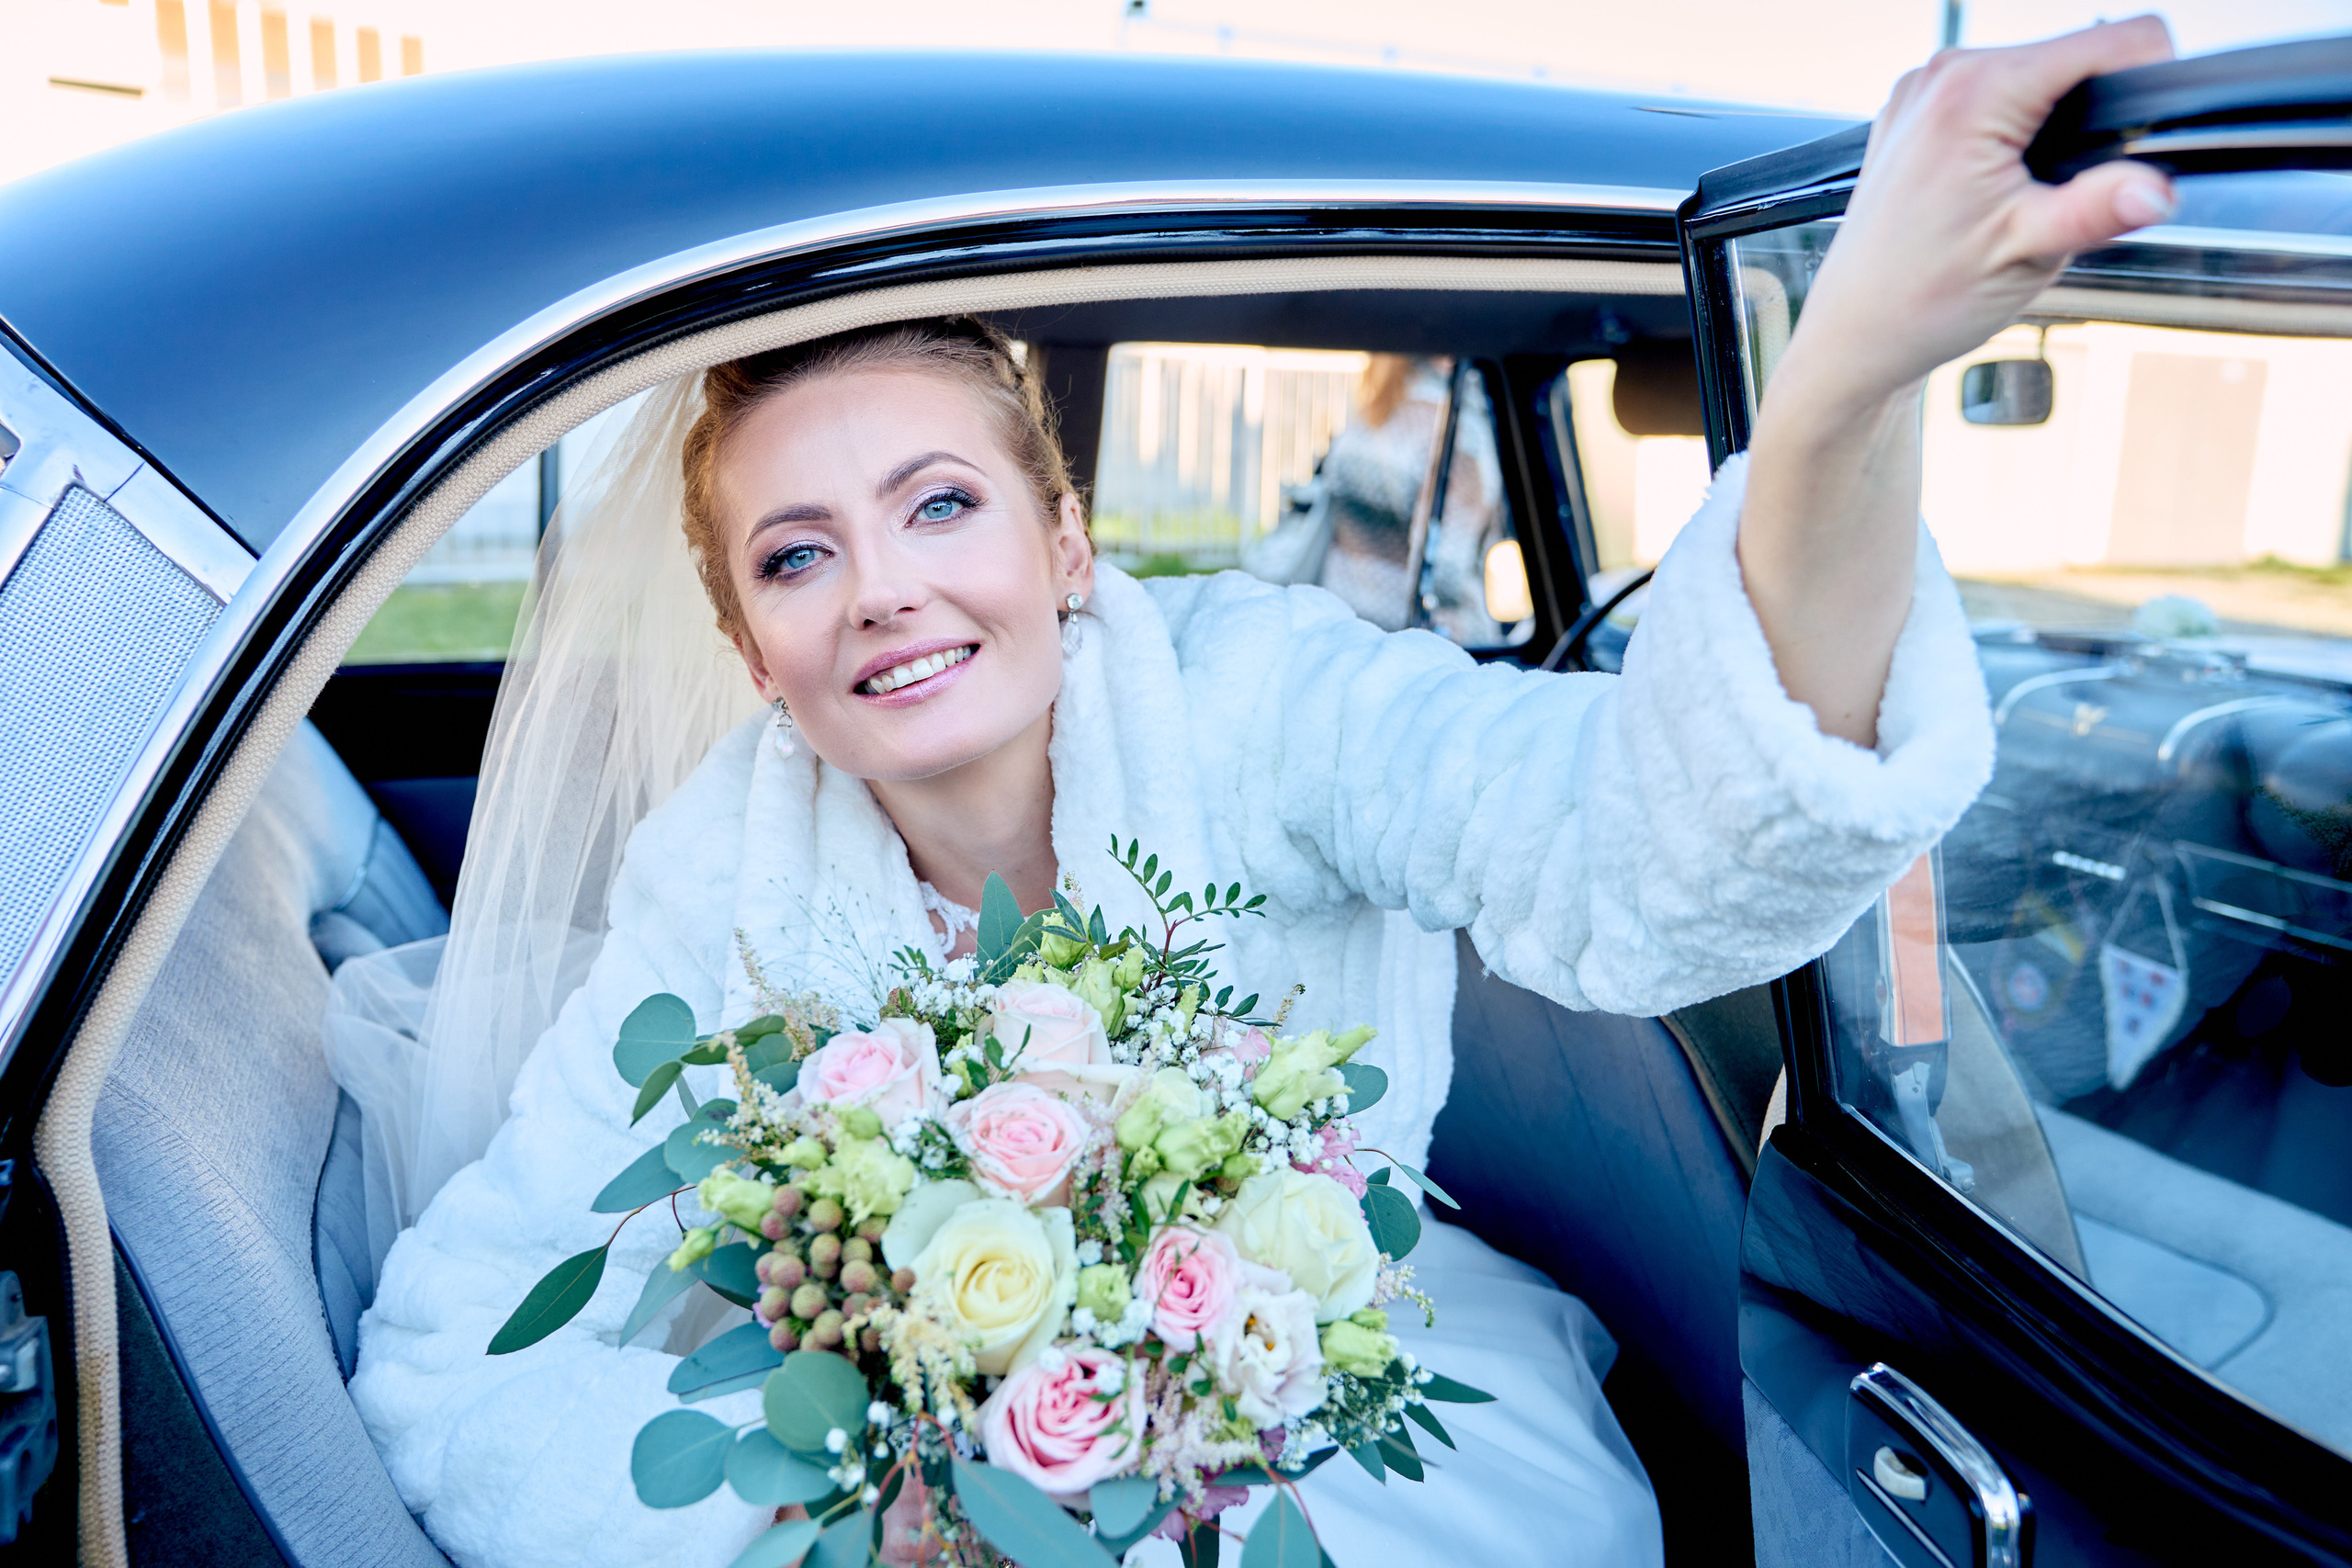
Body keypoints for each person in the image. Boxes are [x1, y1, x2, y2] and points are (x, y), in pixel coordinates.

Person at [338, 19, 2182, 1566]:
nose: (882, 588)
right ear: (755, 651)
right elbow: (456, 1330)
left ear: (1066, 545)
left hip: (1327, 1414)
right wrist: (840, 1505)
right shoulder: (718, 873)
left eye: (940, 505)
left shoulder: (1263, 698)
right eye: (798, 554)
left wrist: (1843, 380)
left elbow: (1633, 838)